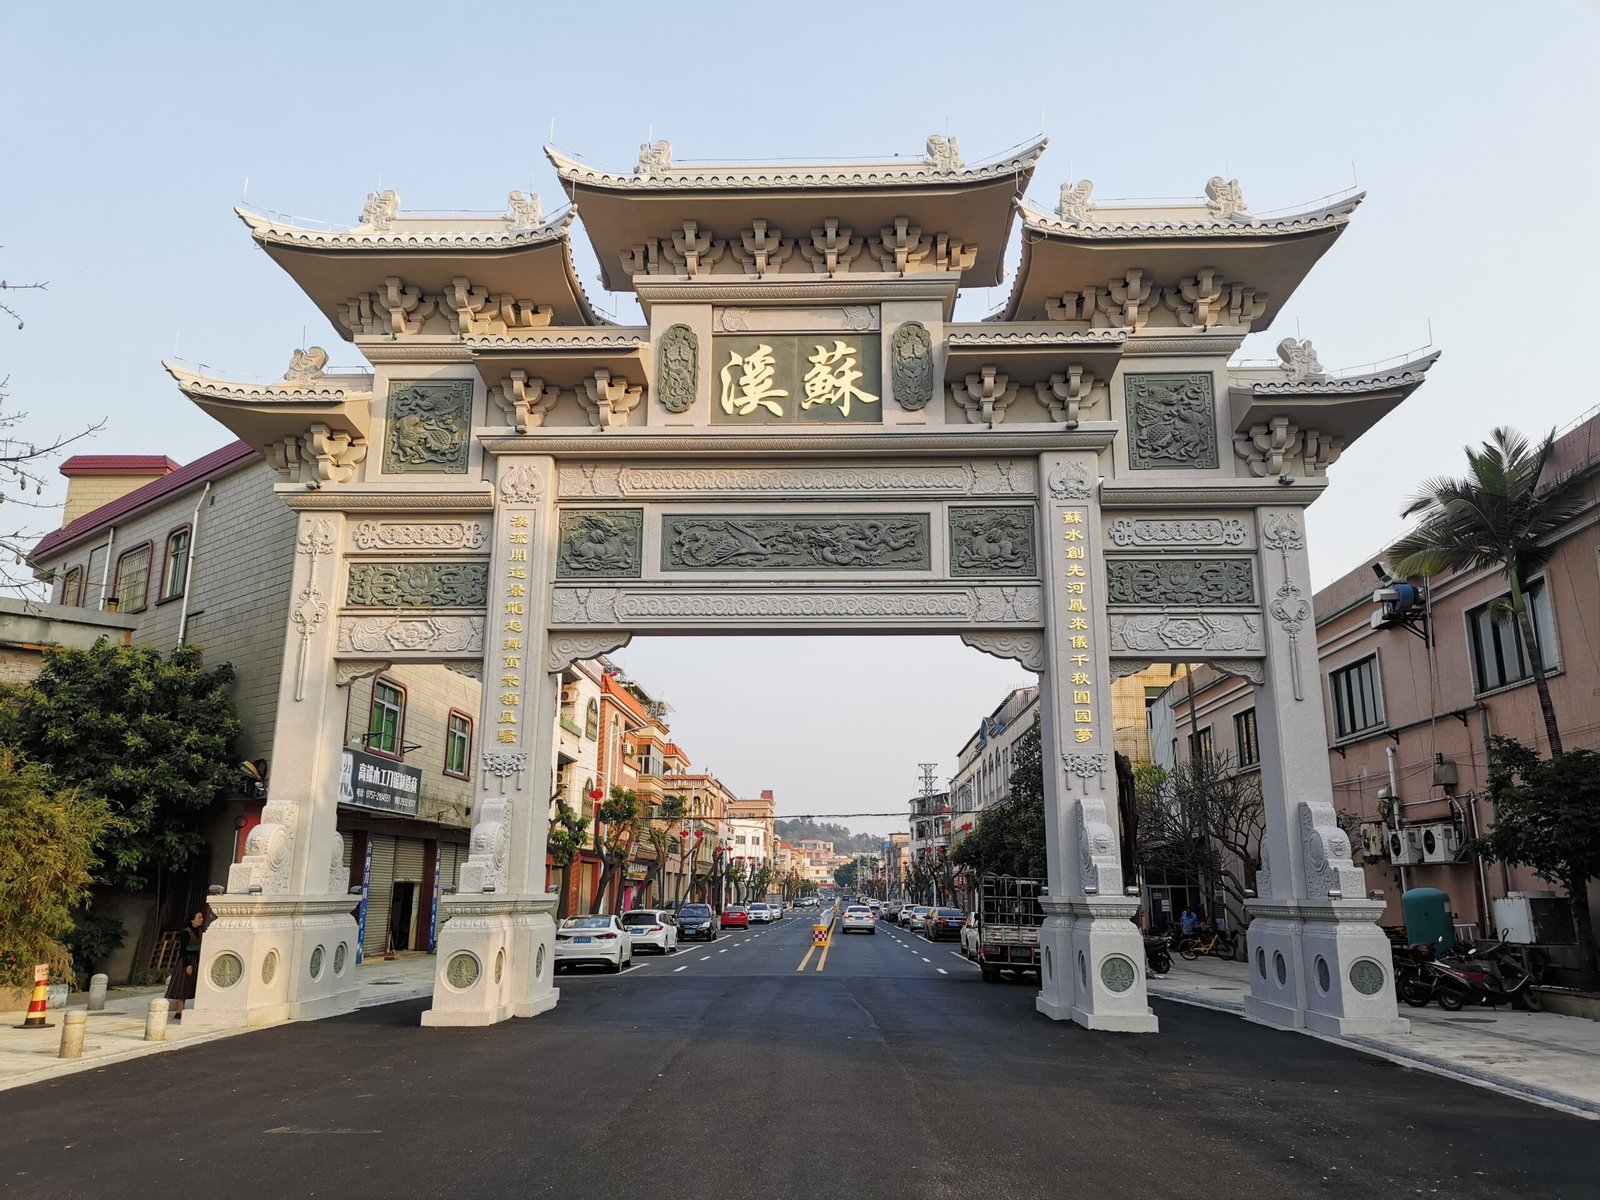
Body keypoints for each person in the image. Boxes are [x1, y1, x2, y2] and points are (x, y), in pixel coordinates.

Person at [165, 910, 207, 1020]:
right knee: (183, 983)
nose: (201, 919)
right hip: (185, 960)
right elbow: (182, 950)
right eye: (199, 917)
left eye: (202, 917)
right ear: (192, 920)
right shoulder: (186, 933)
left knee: (192, 983)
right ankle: (180, 1010)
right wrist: (187, 964)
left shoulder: (200, 931)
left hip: (195, 959)